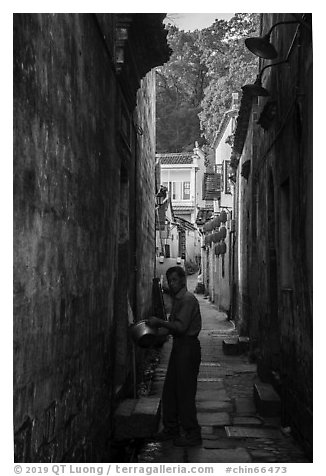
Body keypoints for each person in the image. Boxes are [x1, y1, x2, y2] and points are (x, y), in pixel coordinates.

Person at [146, 266, 202, 447]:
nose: (171, 283)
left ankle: (192, 433)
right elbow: (171, 327)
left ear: (183, 281)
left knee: (185, 392)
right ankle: (171, 428)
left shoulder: (187, 300)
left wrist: (160, 322)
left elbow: (180, 327)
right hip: (179, 348)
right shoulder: (178, 300)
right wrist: (151, 331)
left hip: (188, 349)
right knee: (170, 390)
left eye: (175, 280)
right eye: (169, 280)